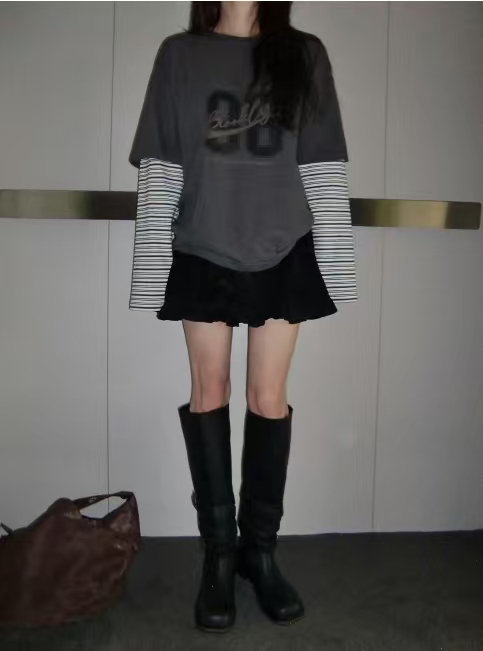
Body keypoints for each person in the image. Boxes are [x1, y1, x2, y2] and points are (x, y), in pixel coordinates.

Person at [128, 0, 357, 633]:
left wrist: (338, 273)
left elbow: (322, 166)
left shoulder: (303, 53)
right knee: (210, 391)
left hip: (284, 249)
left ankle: (260, 552)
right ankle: (220, 556)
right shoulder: (180, 55)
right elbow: (162, 166)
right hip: (202, 248)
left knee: (268, 398)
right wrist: (149, 277)